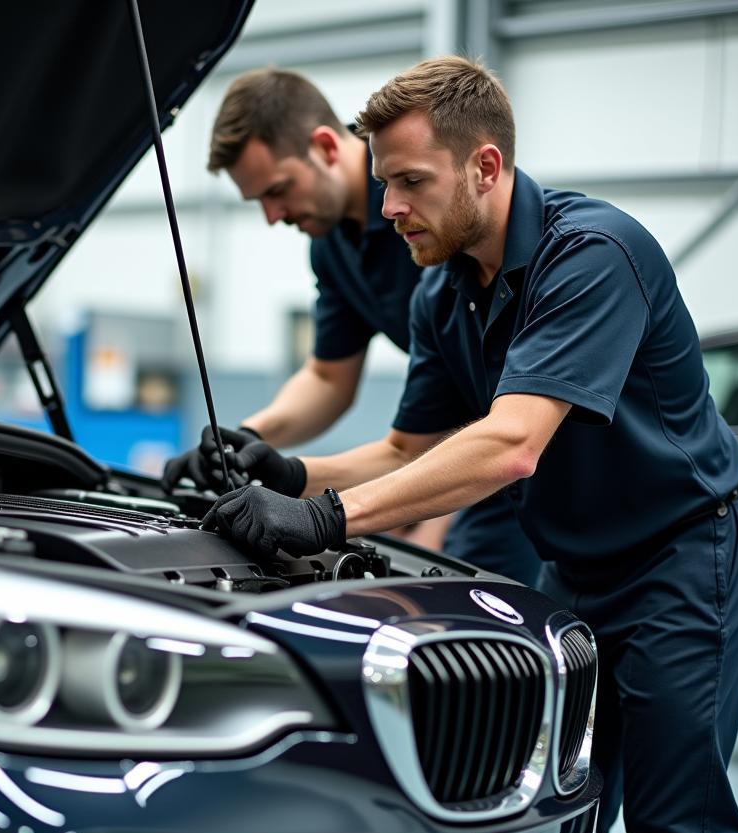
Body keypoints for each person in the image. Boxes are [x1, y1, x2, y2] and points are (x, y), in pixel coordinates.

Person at [203, 56, 738, 833]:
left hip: (686, 561)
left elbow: (508, 447)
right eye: (383, 184)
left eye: (410, 182)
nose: (386, 211)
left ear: (486, 168)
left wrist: (325, 518)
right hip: (574, 568)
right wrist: (281, 472)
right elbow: (405, 446)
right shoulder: (442, 294)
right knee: (563, 822)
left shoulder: (594, 255)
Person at [161, 68, 541, 584]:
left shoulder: (443, 222)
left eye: (278, 189)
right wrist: (251, 441)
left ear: (324, 146)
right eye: (260, 202)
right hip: (468, 456)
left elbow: (500, 427)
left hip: (519, 451)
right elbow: (329, 380)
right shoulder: (333, 247)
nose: (273, 216)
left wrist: (422, 528)